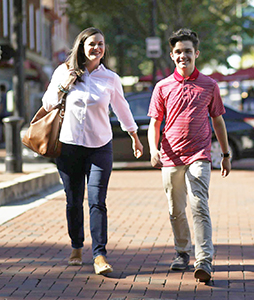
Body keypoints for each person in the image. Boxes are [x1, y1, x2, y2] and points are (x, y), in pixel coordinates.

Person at [42, 27, 143, 275]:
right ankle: (77, 246)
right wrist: (64, 86)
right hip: (68, 147)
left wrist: (134, 136)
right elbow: (47, 103)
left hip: (100, 147)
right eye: (92, 44)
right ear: (81, 47)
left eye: (101, 43)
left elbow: (122, 108)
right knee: (73, 201)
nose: (97, 48)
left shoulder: (110, 78)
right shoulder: (64, 72)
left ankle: (99, 254)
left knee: (97, 202)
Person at [147, 28, 231, 282]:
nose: (183, 55)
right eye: (178, 51)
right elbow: (154, 123)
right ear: (172, 56)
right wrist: (153, 149)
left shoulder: (209, 85)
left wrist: (225, 154)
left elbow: (218, 120)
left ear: (196, 53)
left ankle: (204, 260)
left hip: (199, 155)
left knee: (199, 205)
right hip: (171, 156)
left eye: (188, 51)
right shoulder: (162, 87)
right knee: (175, 209)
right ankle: (182, 252)